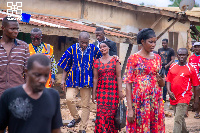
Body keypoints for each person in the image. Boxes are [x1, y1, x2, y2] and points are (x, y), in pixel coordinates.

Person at [0, 54, 63, 133]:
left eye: (46, 75)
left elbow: (56, 130)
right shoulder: (9, 96)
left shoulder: (53, 96)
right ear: (26, 72)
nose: (43, 80)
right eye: (37, 75)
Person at [58, 31, 102, 133]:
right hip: (73, 79)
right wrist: (63, 80)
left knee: (85, 105)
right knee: (69, 99)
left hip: (87, 81)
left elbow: (103, 58)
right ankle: (76, 117)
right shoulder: (72, 49)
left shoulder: (94, 49)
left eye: (86, 42)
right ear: (78, 40)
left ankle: (82, 128)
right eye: (82, 42)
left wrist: (114, 58)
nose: (84, 45)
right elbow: (66, 66)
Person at [123, 28, 165, 133]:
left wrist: (160, 80)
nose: (153, 45)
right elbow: (128, 84)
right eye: (150, 42)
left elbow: (162, 83)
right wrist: (130, 109)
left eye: (155, 42)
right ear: (142, 41)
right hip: (140, 102)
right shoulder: (133, 58)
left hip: (155, 101)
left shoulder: (157, 58)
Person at [92, 41, 124, 133]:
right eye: (101, 47)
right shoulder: (96, 62)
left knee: (111, 114)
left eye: (104, 46)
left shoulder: (115, 60)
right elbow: (95, 78)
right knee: (101, 114)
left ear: (109, 48)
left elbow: (118, 76)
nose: (102, 48)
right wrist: (93, 93)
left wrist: (120, 91)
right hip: (101, 92)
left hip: (113, 92)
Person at [166, 48, 200, 133]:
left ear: (187, 56)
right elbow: (168, 80)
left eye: (183, 55)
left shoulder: (191, 68)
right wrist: (169, 92)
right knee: (179, 118)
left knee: (177, 119)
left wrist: (196, 101)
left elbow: (196, 86)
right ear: (177, 55)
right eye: (180, 55)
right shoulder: (172, 66)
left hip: (184, 96)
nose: (181, 57)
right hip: (173, 96)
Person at [0, 16, 29, 96]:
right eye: (12, 29)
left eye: (17, 29)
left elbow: (28, 72)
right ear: (3, 28)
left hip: (18, 94)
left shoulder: (24, 47)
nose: (16, 31)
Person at [189, 42, 200, 119]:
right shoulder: (191, 58)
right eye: (195, 47)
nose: (197, 48)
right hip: (194, 81)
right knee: (196, 96)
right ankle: (197, 112)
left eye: (198, 47)